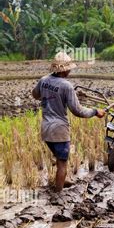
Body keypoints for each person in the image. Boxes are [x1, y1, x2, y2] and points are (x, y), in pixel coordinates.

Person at [32, 52, 105, 192]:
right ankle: (58, 194)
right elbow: (78, 111)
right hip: (59, 131)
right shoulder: (66, 86)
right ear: (64, 69)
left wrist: (49, 96)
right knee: (62, 164)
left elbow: (35, 95)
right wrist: (95, 111)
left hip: (46, 129)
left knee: (59, 157)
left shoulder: (44, 80)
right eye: (69, 68)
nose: (70, 71)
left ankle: (62, 181)